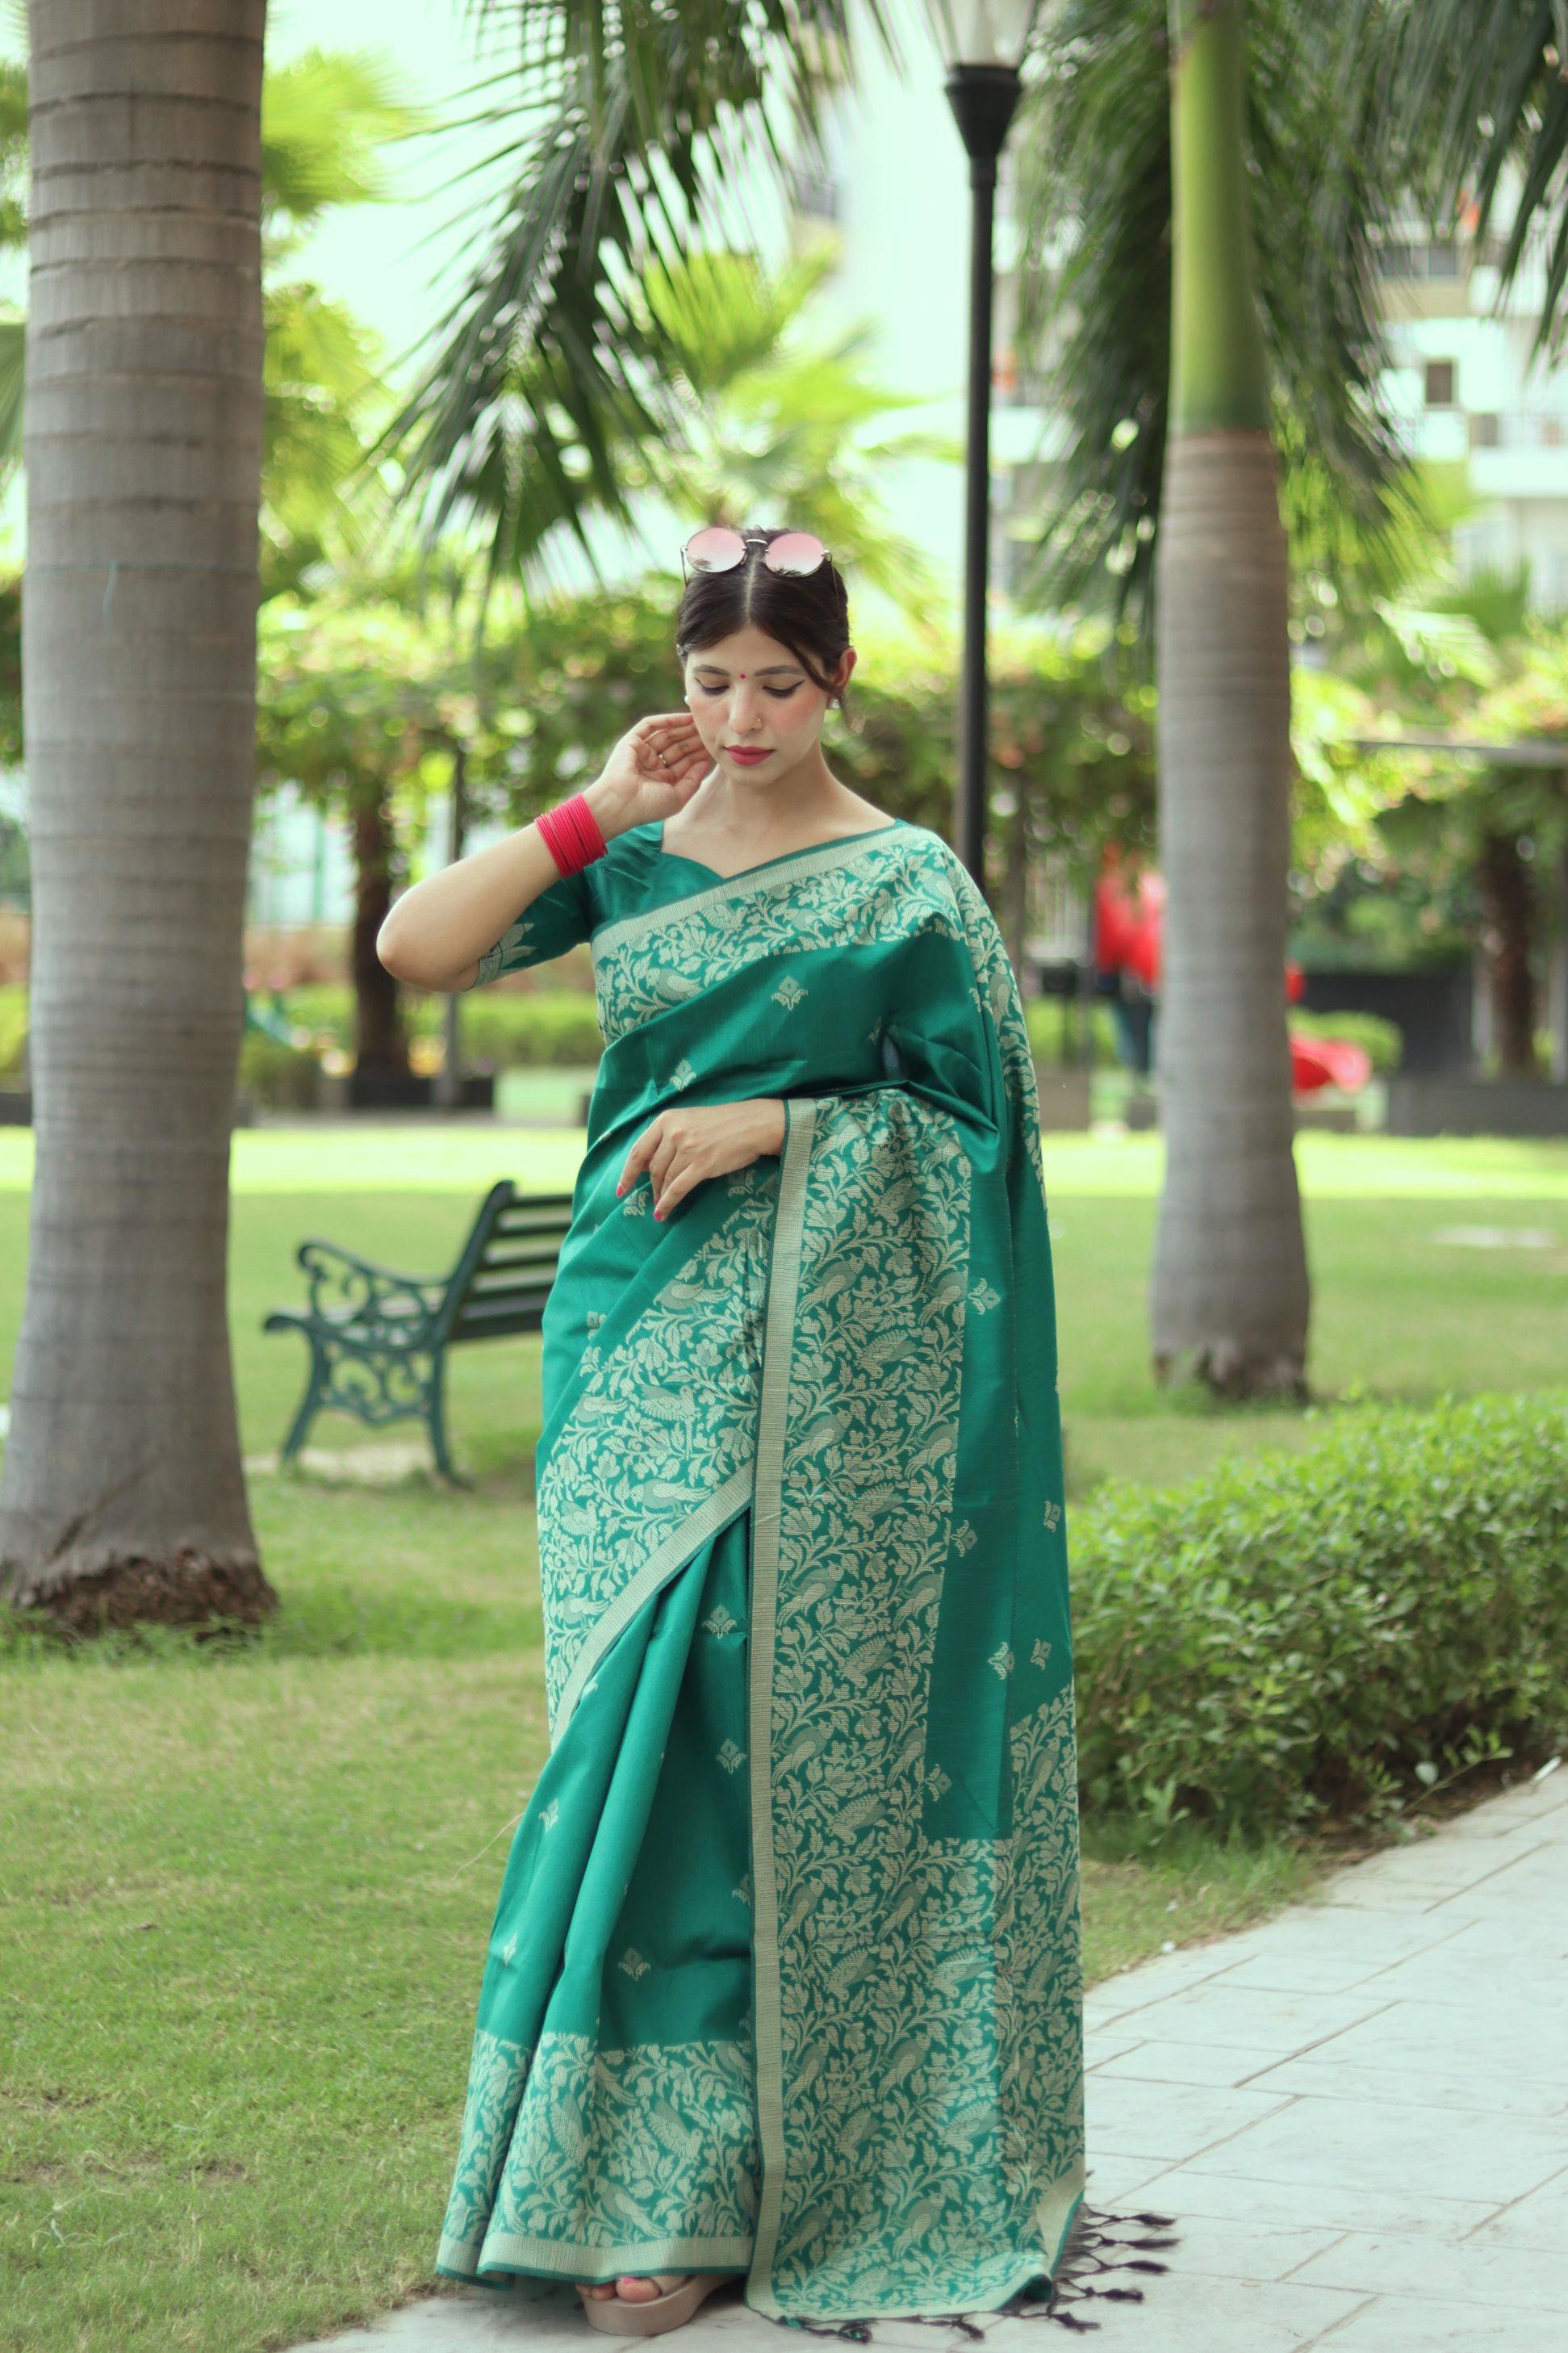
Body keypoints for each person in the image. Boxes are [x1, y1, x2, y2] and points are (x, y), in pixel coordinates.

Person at [377, 525, 1085, 2339]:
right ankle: (600, 2171)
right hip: (631, 1333)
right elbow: (414, 951)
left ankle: (695, 2197)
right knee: (627, 1719)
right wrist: (590, 806)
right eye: (711, 683)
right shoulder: (632, 855)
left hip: (836, 1359)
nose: (743, 715)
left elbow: (987, 1142)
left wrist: (791, 1129)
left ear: (837, 683)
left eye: (778, 683)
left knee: (744, 1722)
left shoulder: (908, 882)